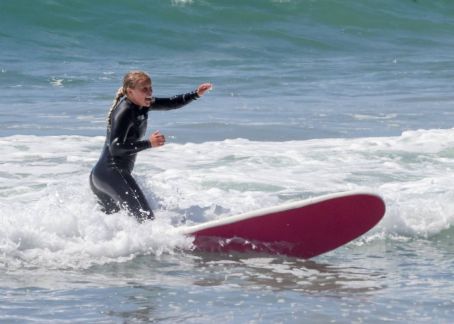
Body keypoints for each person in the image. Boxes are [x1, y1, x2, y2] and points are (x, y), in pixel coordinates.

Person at [90, 70, 212, 222]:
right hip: (112, 174)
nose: (150, 92)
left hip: (102, 176)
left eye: (150, 88)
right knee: (146, 220)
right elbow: (116, 147)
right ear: (130, 91)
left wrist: (196, 94)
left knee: (117, 225)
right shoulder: (125, 111)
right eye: (144, 89)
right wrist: (149, 143)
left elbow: (170, 103)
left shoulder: (142, 104)